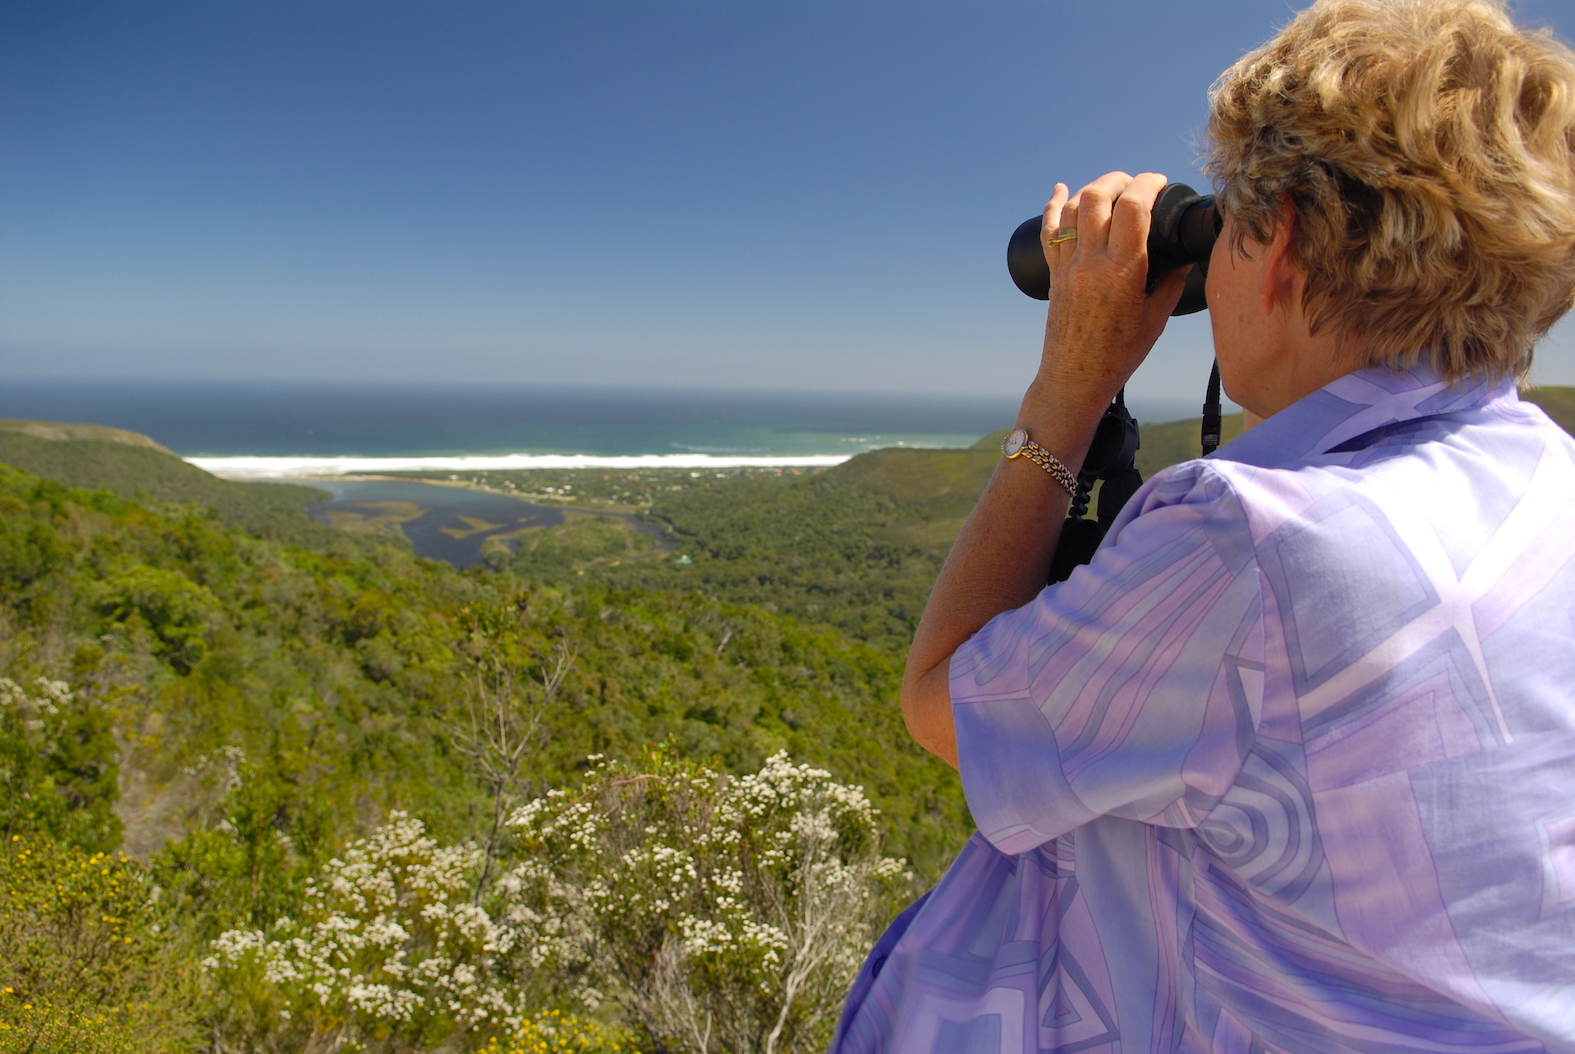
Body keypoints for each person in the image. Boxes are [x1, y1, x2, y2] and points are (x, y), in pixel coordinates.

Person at [830, 0, 1575, 1051]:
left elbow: (940, 699)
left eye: (1227, 225)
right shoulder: (1553, 482)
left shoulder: (1263, 541)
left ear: (1281, 253)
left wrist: (1070, 386)